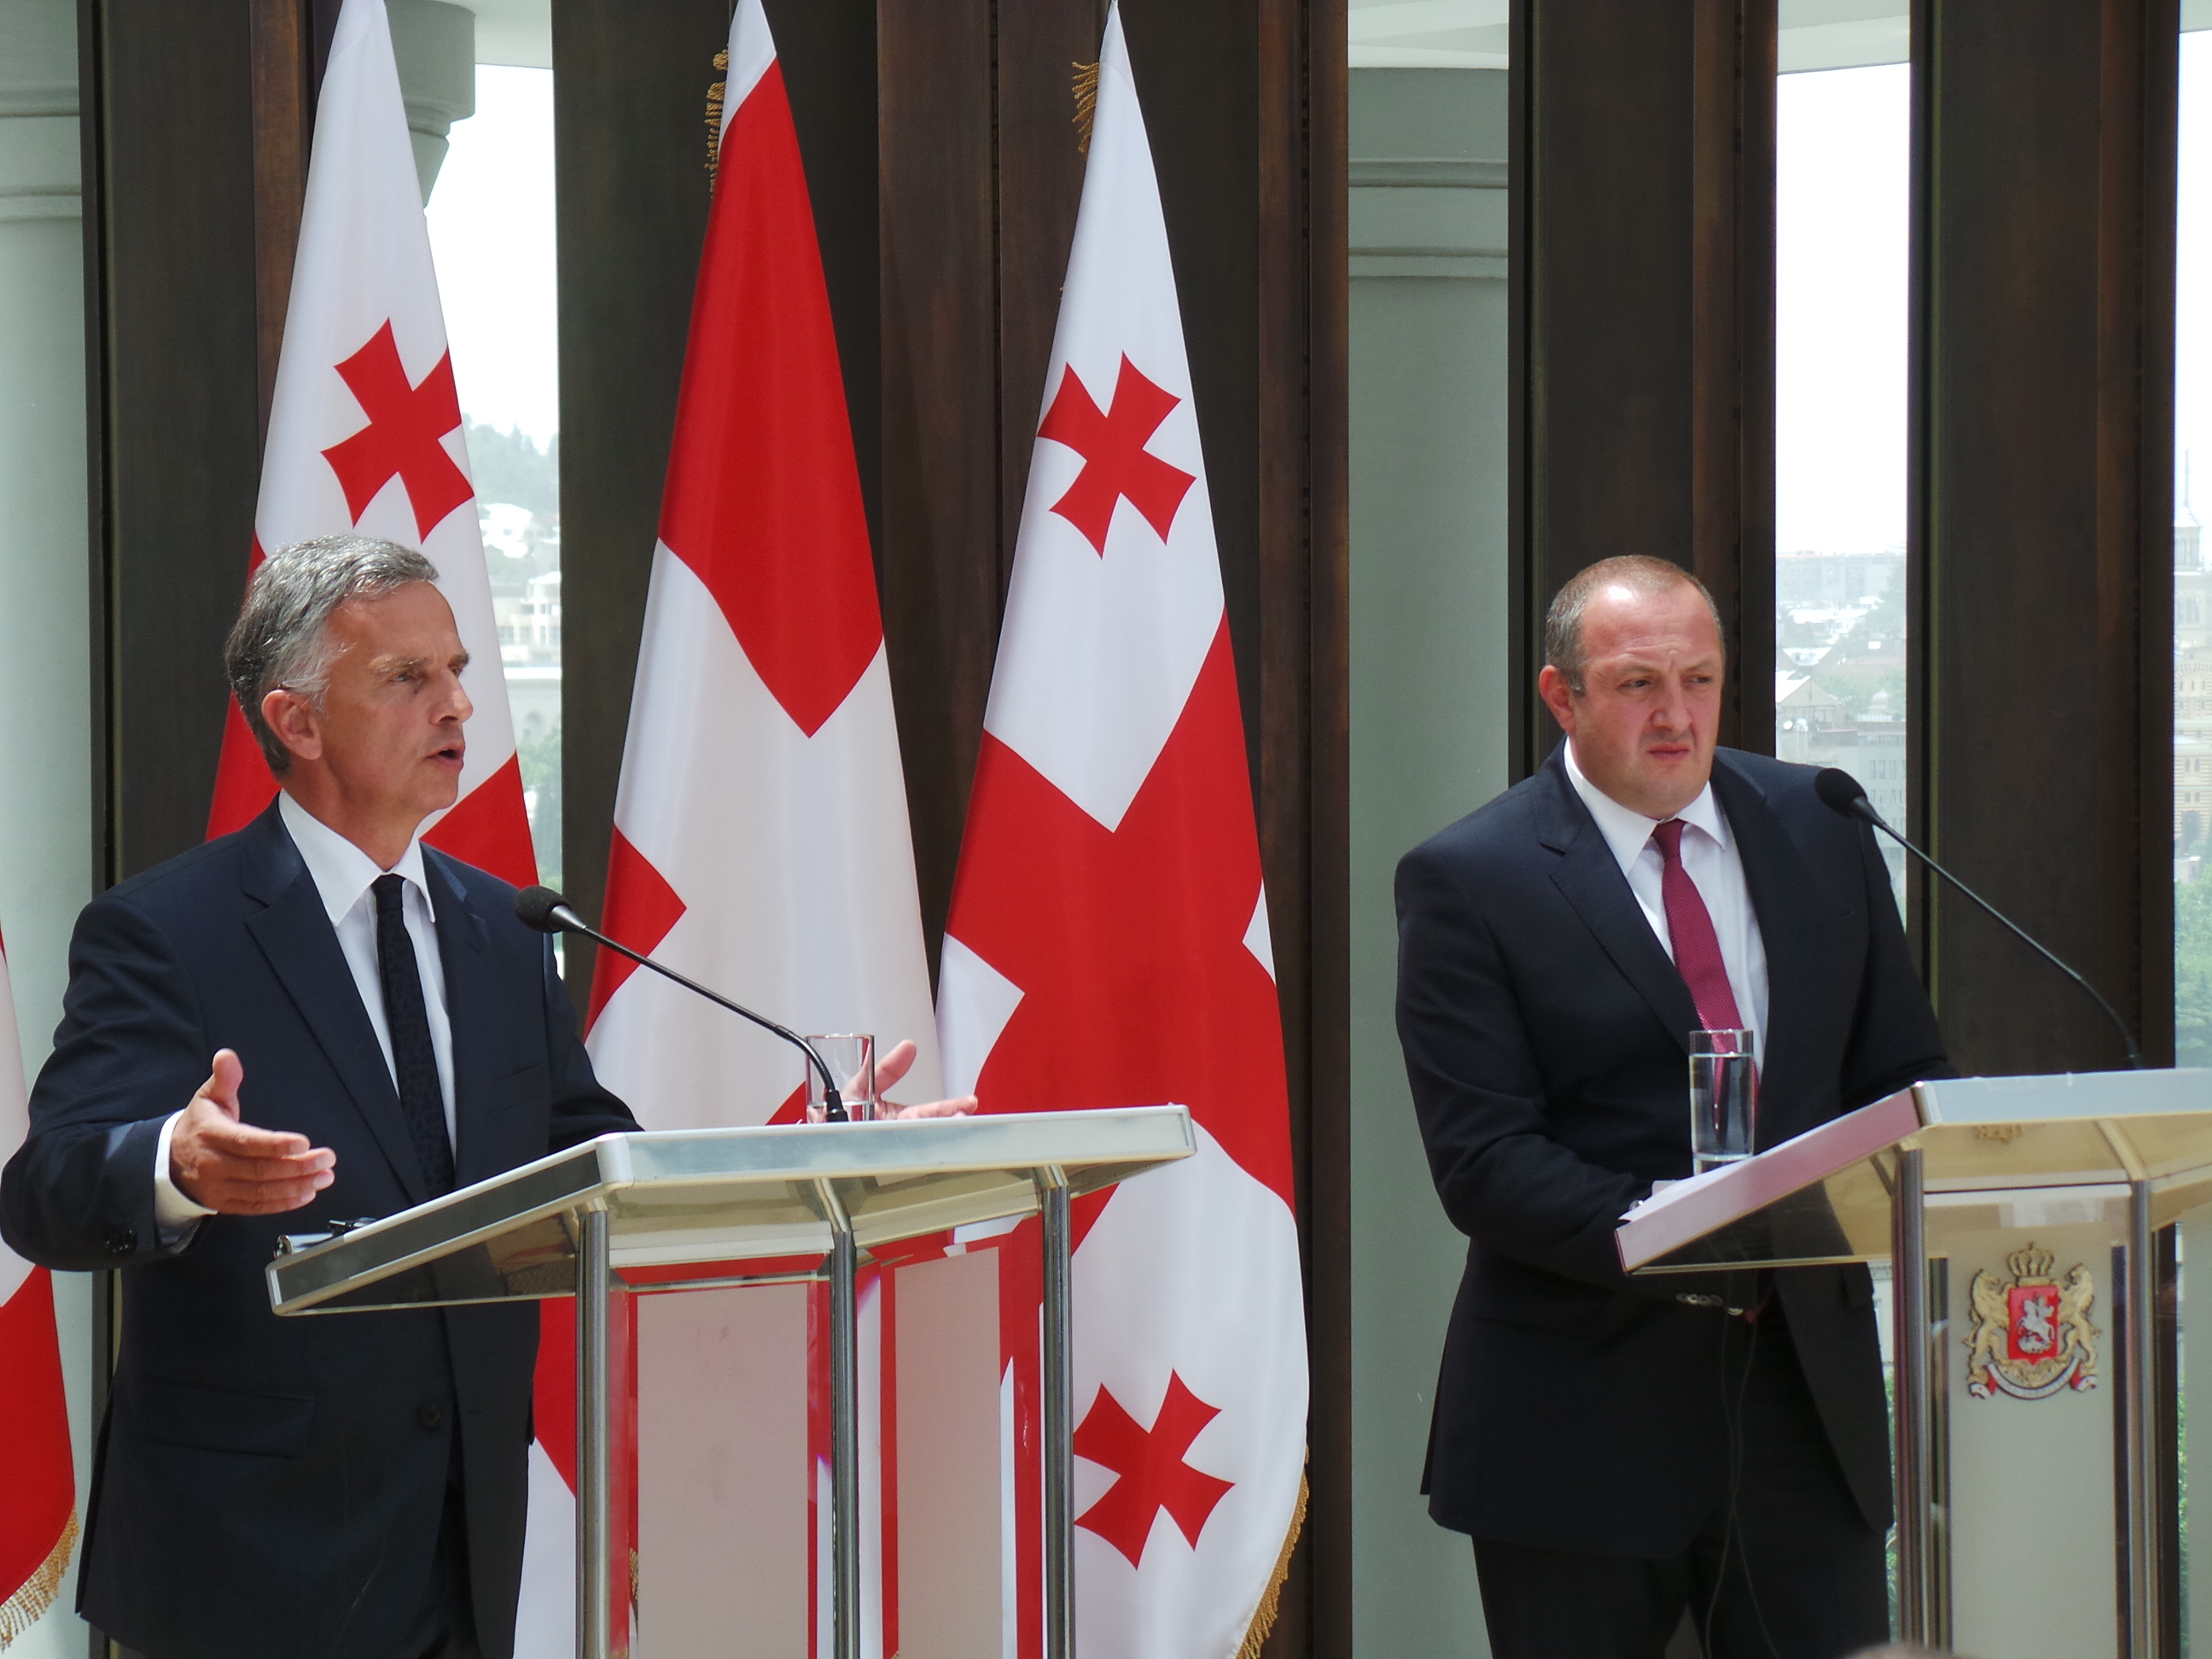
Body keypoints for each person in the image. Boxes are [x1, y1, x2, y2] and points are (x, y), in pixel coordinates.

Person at [0, 536, 965, 1659]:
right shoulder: (169, 933)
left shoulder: (504, 933)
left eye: (456, 670)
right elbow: (47, 1187)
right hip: (246, 1569)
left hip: (461, 1550)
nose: (458, 703)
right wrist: (173, 1162)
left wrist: (811, 1156)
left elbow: (597, 1167)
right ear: (296, 723)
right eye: (408, 679)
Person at [1394, 555, 1950, 1659]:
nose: (1676, 715)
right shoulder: (1472, 878)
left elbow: (1899, 1075)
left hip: (1805, 1406)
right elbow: (1486, 1162)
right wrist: (1693, 1234)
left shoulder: (1821, 822)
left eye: (1699, 679)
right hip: (1579, 1419)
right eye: (1639, 683)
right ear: (1563, 696)